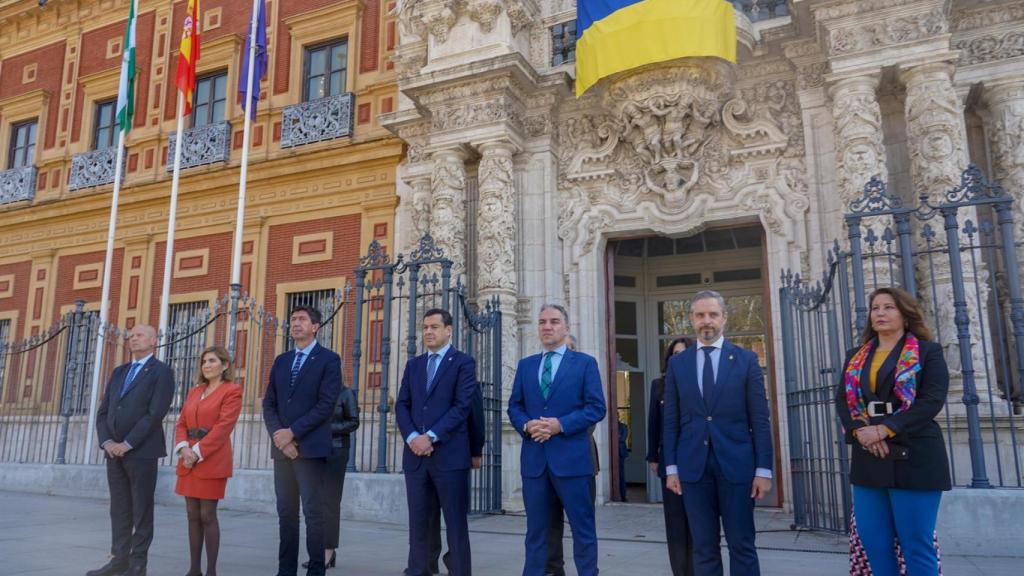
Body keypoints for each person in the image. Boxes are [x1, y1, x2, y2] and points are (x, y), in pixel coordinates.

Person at [834, 287, 950, 576]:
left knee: (915, 543)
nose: (881, 313)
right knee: (874, 542)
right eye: (875, 308)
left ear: (906, 314)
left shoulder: (927, 352)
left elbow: (931, 400)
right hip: (868, 456)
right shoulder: (855, 356)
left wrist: (886, 429)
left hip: (915, 455)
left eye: (889, 307)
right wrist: (861, 432)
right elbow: (843, 401)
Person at [662, 290, 773, 576]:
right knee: (703, 547)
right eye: (700, 315)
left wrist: (763, 470)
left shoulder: (746, 360)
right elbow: (671, 419)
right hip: (692, 469)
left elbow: (760, 420)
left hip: (737, 467)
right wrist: (671, 467)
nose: (706, 321)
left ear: (724, 317)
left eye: (712, 314)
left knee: (742, 544)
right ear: (691, 320)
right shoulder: (678, 364)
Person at [508, 304, 606, 576]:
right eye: (542, 322)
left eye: (553, 321)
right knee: (537, 531)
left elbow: (596, 408)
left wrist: (559, 425)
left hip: (573, 462)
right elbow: (514, 406)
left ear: (566, 327)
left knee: (582, 529)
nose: (547, 326)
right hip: (535, 462)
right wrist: (528, 425)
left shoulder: (585, 363)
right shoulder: (526, 366)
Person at [87, 324, 175, 576]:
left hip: (141, 452)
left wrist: (127, 443)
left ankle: (138, 565)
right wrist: (107, 443)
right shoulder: (119, 371)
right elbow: (103, 412)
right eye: (130, 336)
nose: (132, 339)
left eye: (138, 335)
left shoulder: (162, 372)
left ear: (153, 340)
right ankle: (119, 560)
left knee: (142, 509)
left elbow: (155, 413)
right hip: (113, 453)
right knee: (119, 508)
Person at [396, 308, 477, 576]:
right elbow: (402, 405)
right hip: (416, 457)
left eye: (434, 327)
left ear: (448, 330)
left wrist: (430, 436)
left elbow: (462, 406)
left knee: (455, 523)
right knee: (418, 521)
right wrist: (412, 438)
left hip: (449, 456)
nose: (428, 332)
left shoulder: (463, 363)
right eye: (425, 327)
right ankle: (418, 570)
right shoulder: (414, 364)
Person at [263, 306, 341, 576]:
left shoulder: (329, 360)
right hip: (282, 451)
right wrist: (279, 436)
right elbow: (269, 403)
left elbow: (326, 404)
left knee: (313, 512)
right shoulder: (282, 361)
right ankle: (286, 570)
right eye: (293, 319)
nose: (296, 324)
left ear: (315, 326)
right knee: (286, 513)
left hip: (311, 449)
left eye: (302, 320)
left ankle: (316, 569)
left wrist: (292, 432)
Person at [174, 346, 244, 576]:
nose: (206, 365)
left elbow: (224, 427)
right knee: (192, 515)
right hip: (188, 460)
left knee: (207, 515)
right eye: (204, 361)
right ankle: (194, 570)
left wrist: (197, 452)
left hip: (212, 458)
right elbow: (182, 423)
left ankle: (211, 571)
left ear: (224, 366)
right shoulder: (195, 391)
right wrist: (184, 449)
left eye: (212, 361)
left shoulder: (232, 391)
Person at [416, 373, 485, 576]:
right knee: (427, 513)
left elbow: (476, 418)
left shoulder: (466, 382)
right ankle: (427, 561)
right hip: (425, 454)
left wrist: (475, 451)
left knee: (454, 515)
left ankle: (455, 561)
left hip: (454, 455)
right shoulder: (423, 382)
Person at [543, 334, 600, 576]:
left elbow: (593, 414)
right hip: (545, 459)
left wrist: (560, 425)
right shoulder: (542, 375)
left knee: (582, 524)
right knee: (547, 526)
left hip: (578, 460)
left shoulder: (585, 370)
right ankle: (551, 570)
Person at [647, 337, 695, 576]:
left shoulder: (700, 383)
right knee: (675, 522)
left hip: (697, 461)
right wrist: (652, 457)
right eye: (674, 354)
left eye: (683, 353)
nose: (678, 358)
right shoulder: (658, 385)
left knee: (697, 521)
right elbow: (653, 424)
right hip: (669, 462)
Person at [303, 383, 359, 570]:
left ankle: (327, 551)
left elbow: (353, 422)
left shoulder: (345, 393)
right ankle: (318, 550)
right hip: (314, 451)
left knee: (330, 502)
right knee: (315, 503)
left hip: (336, 451)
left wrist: (326, 428)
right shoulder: (314, 393)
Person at [617, 418, 630, 501]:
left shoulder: (624, 426)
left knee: (621, 475)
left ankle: (623, 495)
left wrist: (616, 436)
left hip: (621, 453)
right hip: (614, 453)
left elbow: (622, 438)